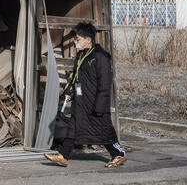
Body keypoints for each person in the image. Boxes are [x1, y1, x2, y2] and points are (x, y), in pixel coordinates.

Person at [45, 22, 126, 169]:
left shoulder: (101, 57)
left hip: (95, 102)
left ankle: (118, 153)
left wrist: (100, 105)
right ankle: (63, 155)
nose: (75, 42)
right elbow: (75, 76)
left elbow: (105, 83)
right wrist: (69, 90)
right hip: (81, 101)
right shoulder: (81, 55)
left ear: (88, 40)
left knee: (104, 129)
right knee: (73, 127)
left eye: (77, 39)